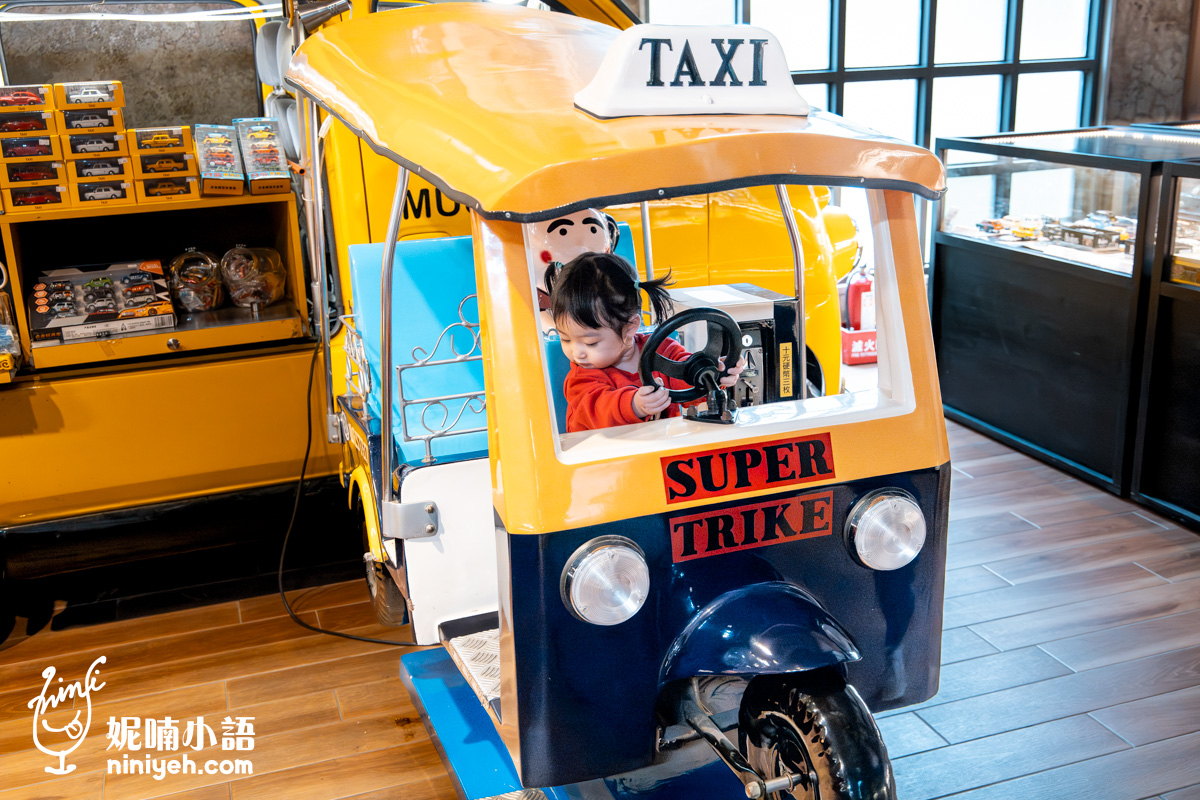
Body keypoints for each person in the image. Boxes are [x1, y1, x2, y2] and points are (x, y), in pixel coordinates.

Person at [548, 252, 744, 433]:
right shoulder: (582, 377)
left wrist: (711, 372)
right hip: (604, 462)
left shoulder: (662, 349)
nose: (576, 353)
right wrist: (633, 405)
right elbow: (596, 410)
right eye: (565, 339)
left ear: (630, 327)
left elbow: (685, 375)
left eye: (590, 343)